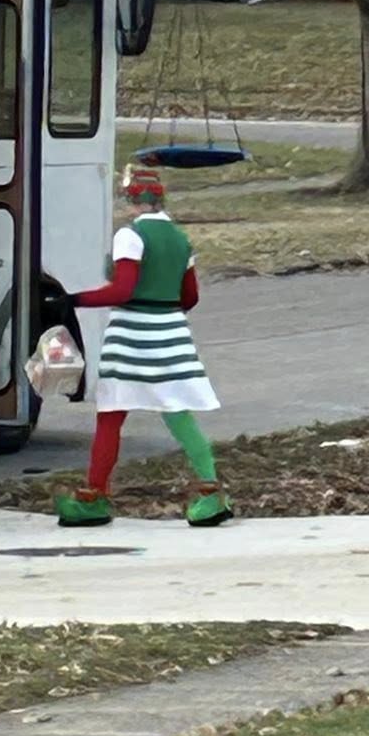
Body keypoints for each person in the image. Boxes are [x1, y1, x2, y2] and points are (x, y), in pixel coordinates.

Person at [57, 163, 231, 528]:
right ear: (161, 197)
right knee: (180, 414)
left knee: (111, 417)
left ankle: (95, 498)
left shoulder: (130, 236)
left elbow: (123, 289)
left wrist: (72, 300)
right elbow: (190, 296)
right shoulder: (181, 239)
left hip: (131, 337)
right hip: (171, 335)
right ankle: (211, 493)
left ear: (130, 199)